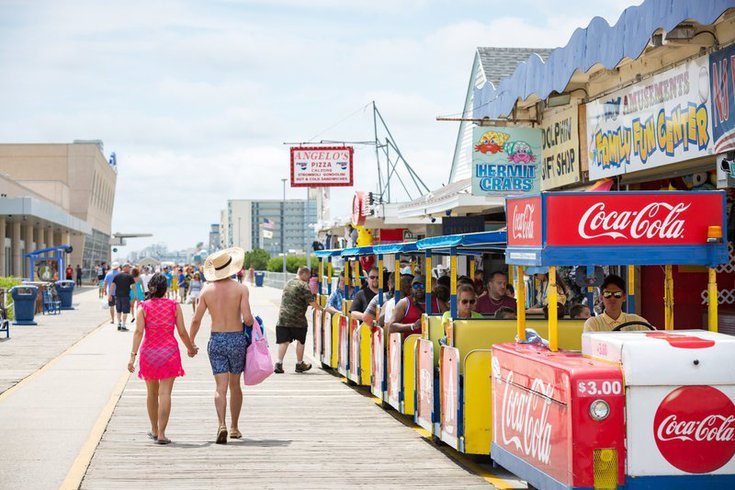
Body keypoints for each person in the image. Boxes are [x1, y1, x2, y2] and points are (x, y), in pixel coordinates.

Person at [189, 247, 254, 444]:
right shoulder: (241, 289)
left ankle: (221, 424)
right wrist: (251, 325)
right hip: (236, 340)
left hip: (216, 339)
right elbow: (248, 319)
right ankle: (234, 427)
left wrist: (191, 342)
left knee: (220, 387)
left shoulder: (206, 290)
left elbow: (196, 320)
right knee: (235, 385)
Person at [128, 273, 197, 444]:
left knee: (152, 393)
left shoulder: (143, 307)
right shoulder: (174, 306)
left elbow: (138, 332)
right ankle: (161, 433)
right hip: (169, 353)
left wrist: (132, 357)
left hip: (149, 354)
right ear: (165, 289)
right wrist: (191, 348)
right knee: (165, 393)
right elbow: (181, 331)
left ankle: (153, 429)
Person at [274, 266, 320, 374]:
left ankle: (279, 364)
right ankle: (299, 364)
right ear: (304, 274)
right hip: (298, 320)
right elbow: (312, 302)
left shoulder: (288, 283)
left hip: (283, 318)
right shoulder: (303, 285)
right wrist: (321, 309)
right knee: (301, 341)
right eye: (308, 276)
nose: (309, 279)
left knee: (284, 342)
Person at [583, 274, 649, 332]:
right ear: (601, 297)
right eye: (607, 294)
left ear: (624, 297)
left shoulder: (637, 321)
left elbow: (654, 336)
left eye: (617, 294)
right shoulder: (593, 324)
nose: (612, 298)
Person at [112, 263, 136, 331]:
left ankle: (119, 324)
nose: (129, 269)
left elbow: (112, 285)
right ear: (125, 267)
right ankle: (123, 325)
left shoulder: (117, 276)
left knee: (118, 310)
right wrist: (136, 295)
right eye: (129, 267)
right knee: (125, 311)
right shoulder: (129, 276)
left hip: (118, 296)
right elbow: (133, 286)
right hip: (125, 296)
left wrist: (110, 294)